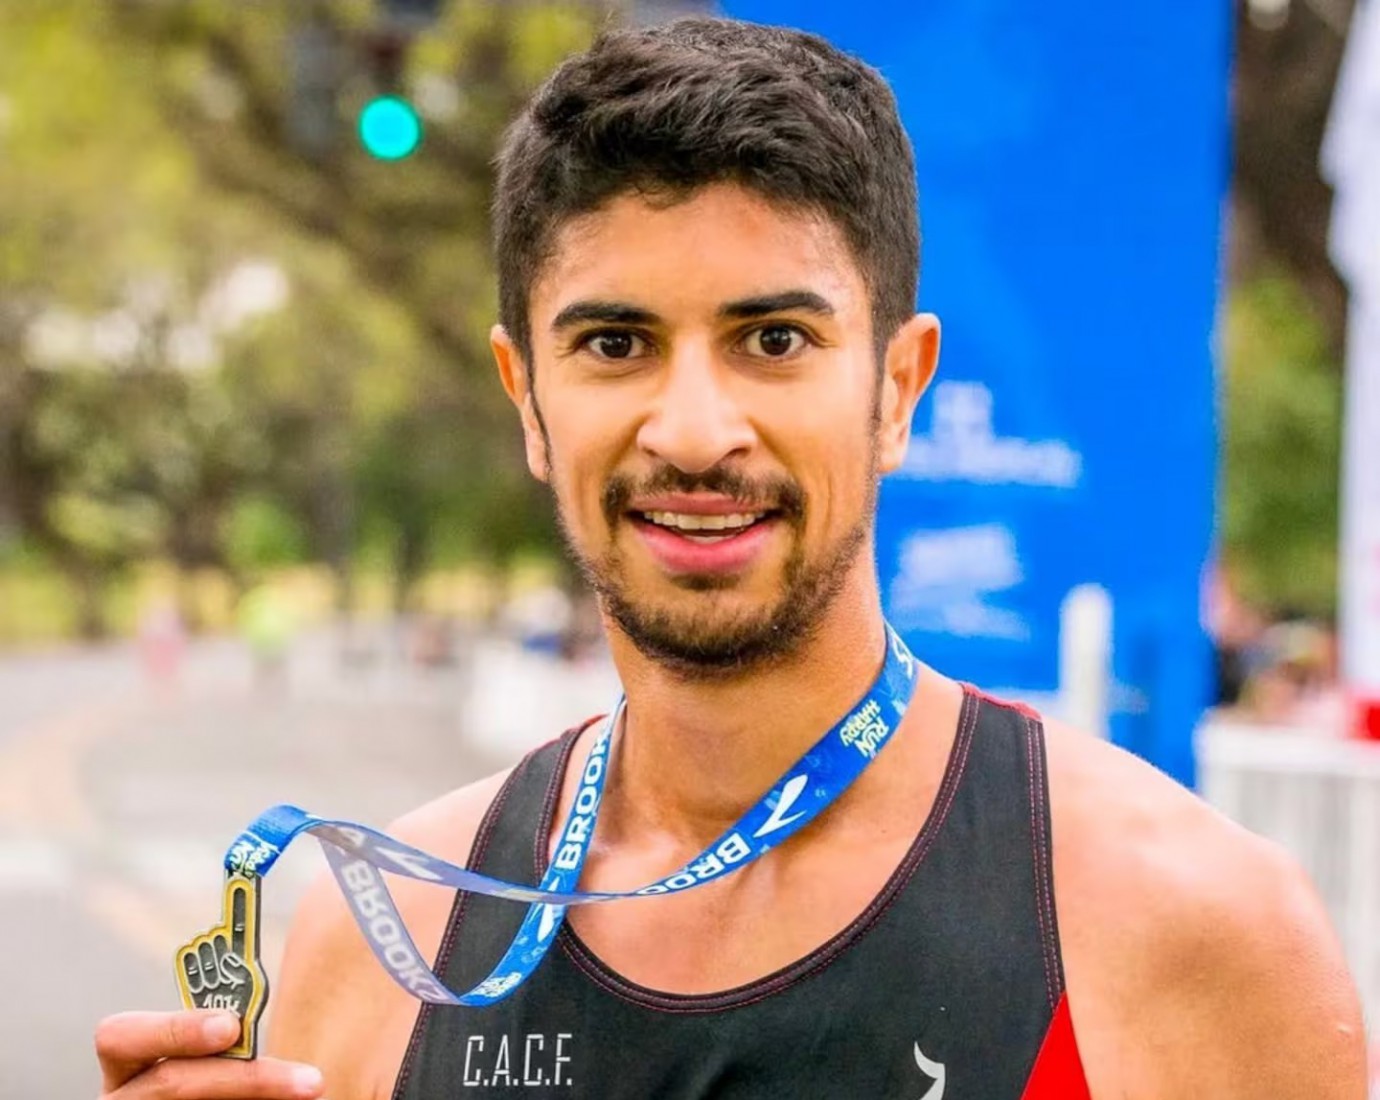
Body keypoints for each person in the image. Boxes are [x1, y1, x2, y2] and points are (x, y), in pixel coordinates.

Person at [94, 16, 1367, 1099]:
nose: (696, 429)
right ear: (525, 397)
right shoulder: (378, 951)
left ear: (897, 385)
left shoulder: (1187, 926)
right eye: (613, 344)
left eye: (772, 339)